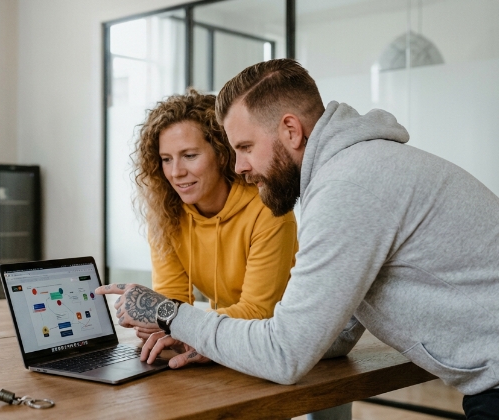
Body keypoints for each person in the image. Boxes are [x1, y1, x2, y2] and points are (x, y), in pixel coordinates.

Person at [98, 58, 499, 418]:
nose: (238, 166)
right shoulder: (350, 173)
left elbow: (286, 354)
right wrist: (208, 342)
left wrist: (167, 313)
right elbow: (334, 333)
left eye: (244, 147)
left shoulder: (349, 186)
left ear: (290, 129)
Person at [127, 90, 351, 420]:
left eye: (189, 155)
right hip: (230, 338)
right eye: (166, 159)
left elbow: (259, 310)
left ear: (220, 153)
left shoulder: (268, 209)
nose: (176, 172)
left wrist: (180, 326)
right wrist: (159, 325)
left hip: (304, 341)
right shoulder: (165, 215)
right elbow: (171, 302)